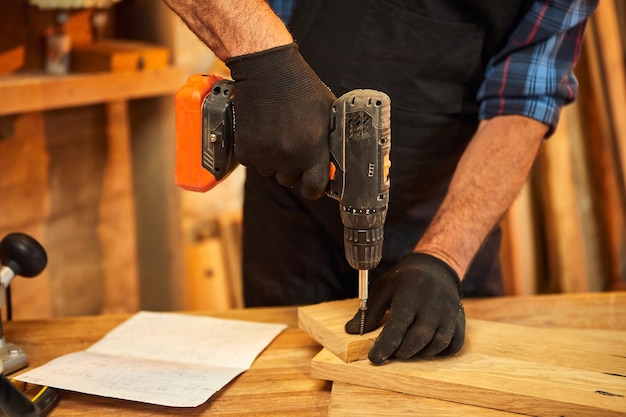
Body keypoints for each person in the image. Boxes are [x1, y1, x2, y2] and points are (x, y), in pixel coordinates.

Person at [163, 0, 598, 364]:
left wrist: (443, 257)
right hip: (290, 211)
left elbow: (525, 98)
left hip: (439, 213)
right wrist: (266, 61)